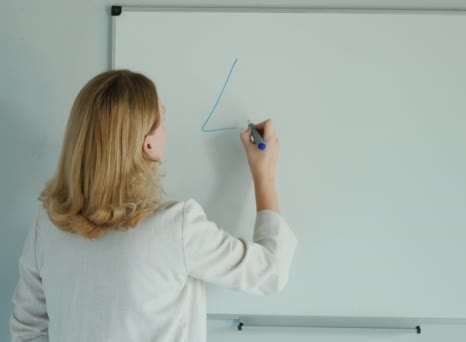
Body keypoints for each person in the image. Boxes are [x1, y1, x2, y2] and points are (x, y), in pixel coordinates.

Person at [9, 70, 297, 341]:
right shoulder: (175, 227)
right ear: (147, 145)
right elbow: (270, 272)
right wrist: (265, 175)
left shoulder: (47, 227)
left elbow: (27, 331)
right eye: (162, 120)